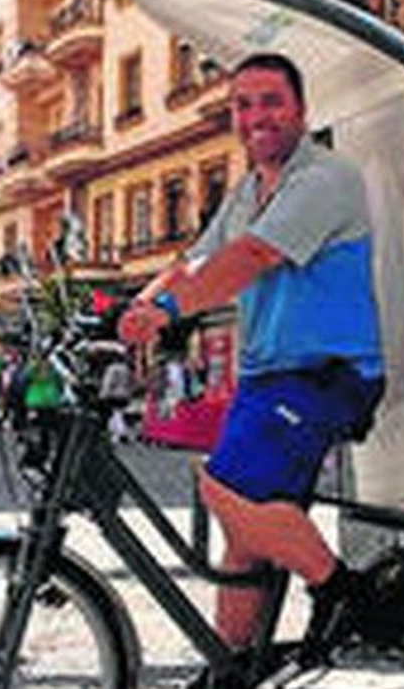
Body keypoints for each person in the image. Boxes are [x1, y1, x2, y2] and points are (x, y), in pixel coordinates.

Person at [119, 53, 385, 679]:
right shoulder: (248, 189)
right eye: (244, 104)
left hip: (326, 372)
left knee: (224, 486)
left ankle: (343, 594)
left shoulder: (324, 179)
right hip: (272, 375)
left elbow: (254, 255)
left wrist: (169, 311)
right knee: (245, 540)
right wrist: (138, 303)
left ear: (300, 110)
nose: (256, 116)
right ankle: (230, 666)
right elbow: (197, 258)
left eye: (271, 101)